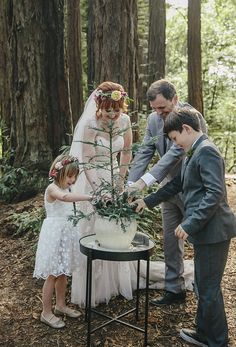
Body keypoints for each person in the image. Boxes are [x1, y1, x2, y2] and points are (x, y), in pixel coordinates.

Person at [132, 108, 236, 347]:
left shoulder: (207, 151)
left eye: (176, 139)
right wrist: (148, 201)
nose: (175, 144)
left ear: (187, 129)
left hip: (214, 233)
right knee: (202, 284)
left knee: (209, 290)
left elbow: (215, 194)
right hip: (206, 233)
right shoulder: (194, 151)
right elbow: (178, 183)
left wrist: (189, 223)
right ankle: (202, 333)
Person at [127, 79, 207, 306]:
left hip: (193, 189)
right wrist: (131, 184)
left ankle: (204, 296)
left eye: (162, 107)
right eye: (154, 108)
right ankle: (174, 289)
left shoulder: (192, 118)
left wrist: (145, 182)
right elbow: (144, 151)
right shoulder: (153, 120)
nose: (158, 113)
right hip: (167, 191)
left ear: (175, 98)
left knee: (199, 242)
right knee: (171, 240)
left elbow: (176, 152)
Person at [70, 81, 134, 307]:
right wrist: (99, 191)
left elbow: (126, 152)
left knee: (115, 229)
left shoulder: (125, 121)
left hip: (115, 178)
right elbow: (86, 160)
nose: (112, 114)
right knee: (94, 229)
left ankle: (116, 283)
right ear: (99, 106)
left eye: (116, 110)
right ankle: (96, 288)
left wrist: (119, 180)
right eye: (108, 110)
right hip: (94, 180)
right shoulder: (90, 125)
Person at [33, 154, 92, 328]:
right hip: (54, 235)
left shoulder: (68, 189)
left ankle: (60, 305)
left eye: (75, 176)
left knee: (63, 272)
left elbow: (69, 201)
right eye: (70, 176)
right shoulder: (52, 189)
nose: (73, 180)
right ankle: (46, 312)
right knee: (52, 274)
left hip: (66, 234)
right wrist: (89, 197)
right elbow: (64, 199)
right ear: (58, 173)